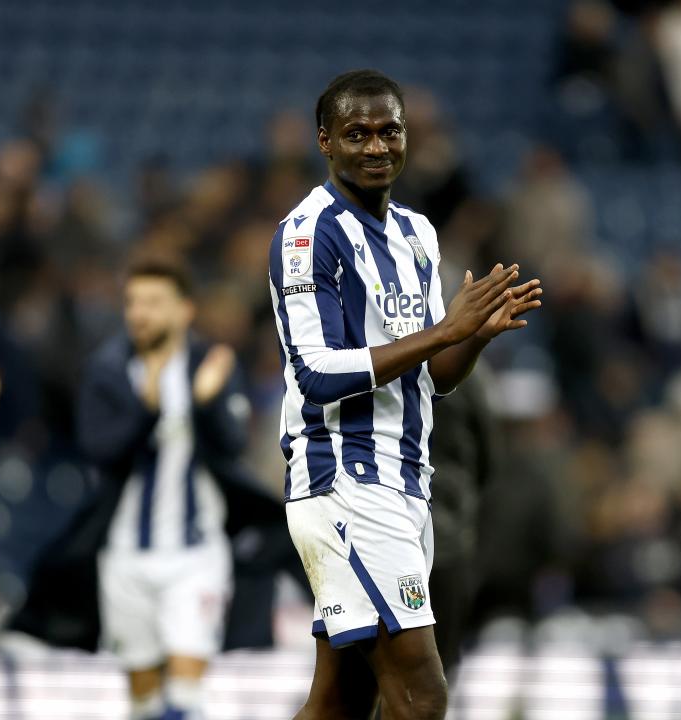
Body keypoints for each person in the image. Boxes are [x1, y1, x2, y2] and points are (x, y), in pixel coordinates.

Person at [268, 69, 543, 719]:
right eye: (356, 133)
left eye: (388, 130)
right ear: (325, 142)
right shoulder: (309, 234)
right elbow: (316, 373)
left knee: (342, 699)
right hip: (346, 481)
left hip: (406, 481)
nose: (375, 146)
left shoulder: (418, 235)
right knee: (421, 694)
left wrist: (469, 340)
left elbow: (430, 381)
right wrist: (443, 329)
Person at [9, 256, 284, 720]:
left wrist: (204, 403)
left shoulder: (210, 366)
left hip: (196, 553)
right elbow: (100, 450)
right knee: (143, 701)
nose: (140, 313)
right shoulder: (107, 371)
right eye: (133, 302)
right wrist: (150, 409)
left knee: (184, 693)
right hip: (125, 556)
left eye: (154, 302)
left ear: (185, 310)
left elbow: (233, 445)